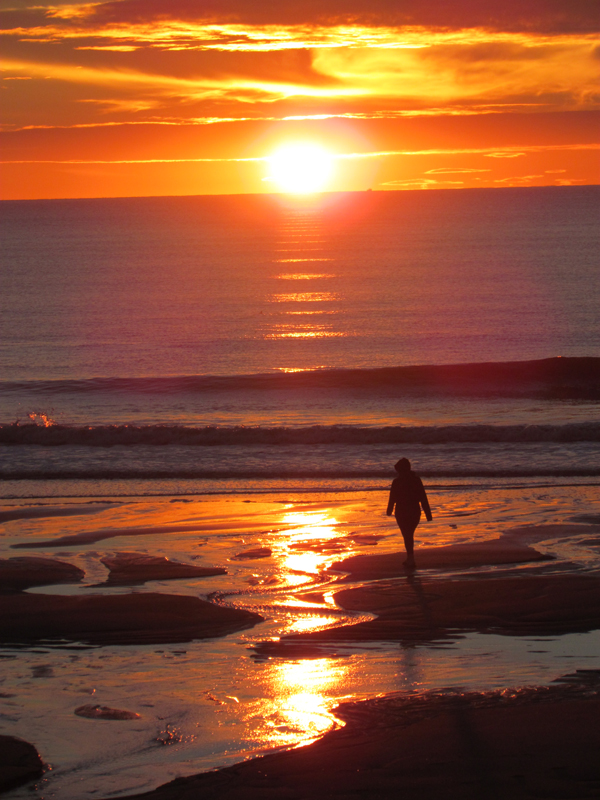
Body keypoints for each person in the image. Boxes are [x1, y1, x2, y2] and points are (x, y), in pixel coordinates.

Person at [386, 458, 432, 569]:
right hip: (414, 511)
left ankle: (410, 558)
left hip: (403, 511)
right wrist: (428, 514)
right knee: (408, 534)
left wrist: (389, 510)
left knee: (407, 534)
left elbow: (392, 498)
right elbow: (423, 498)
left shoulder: (397, 482)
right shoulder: (416, 480)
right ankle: (410, 558)